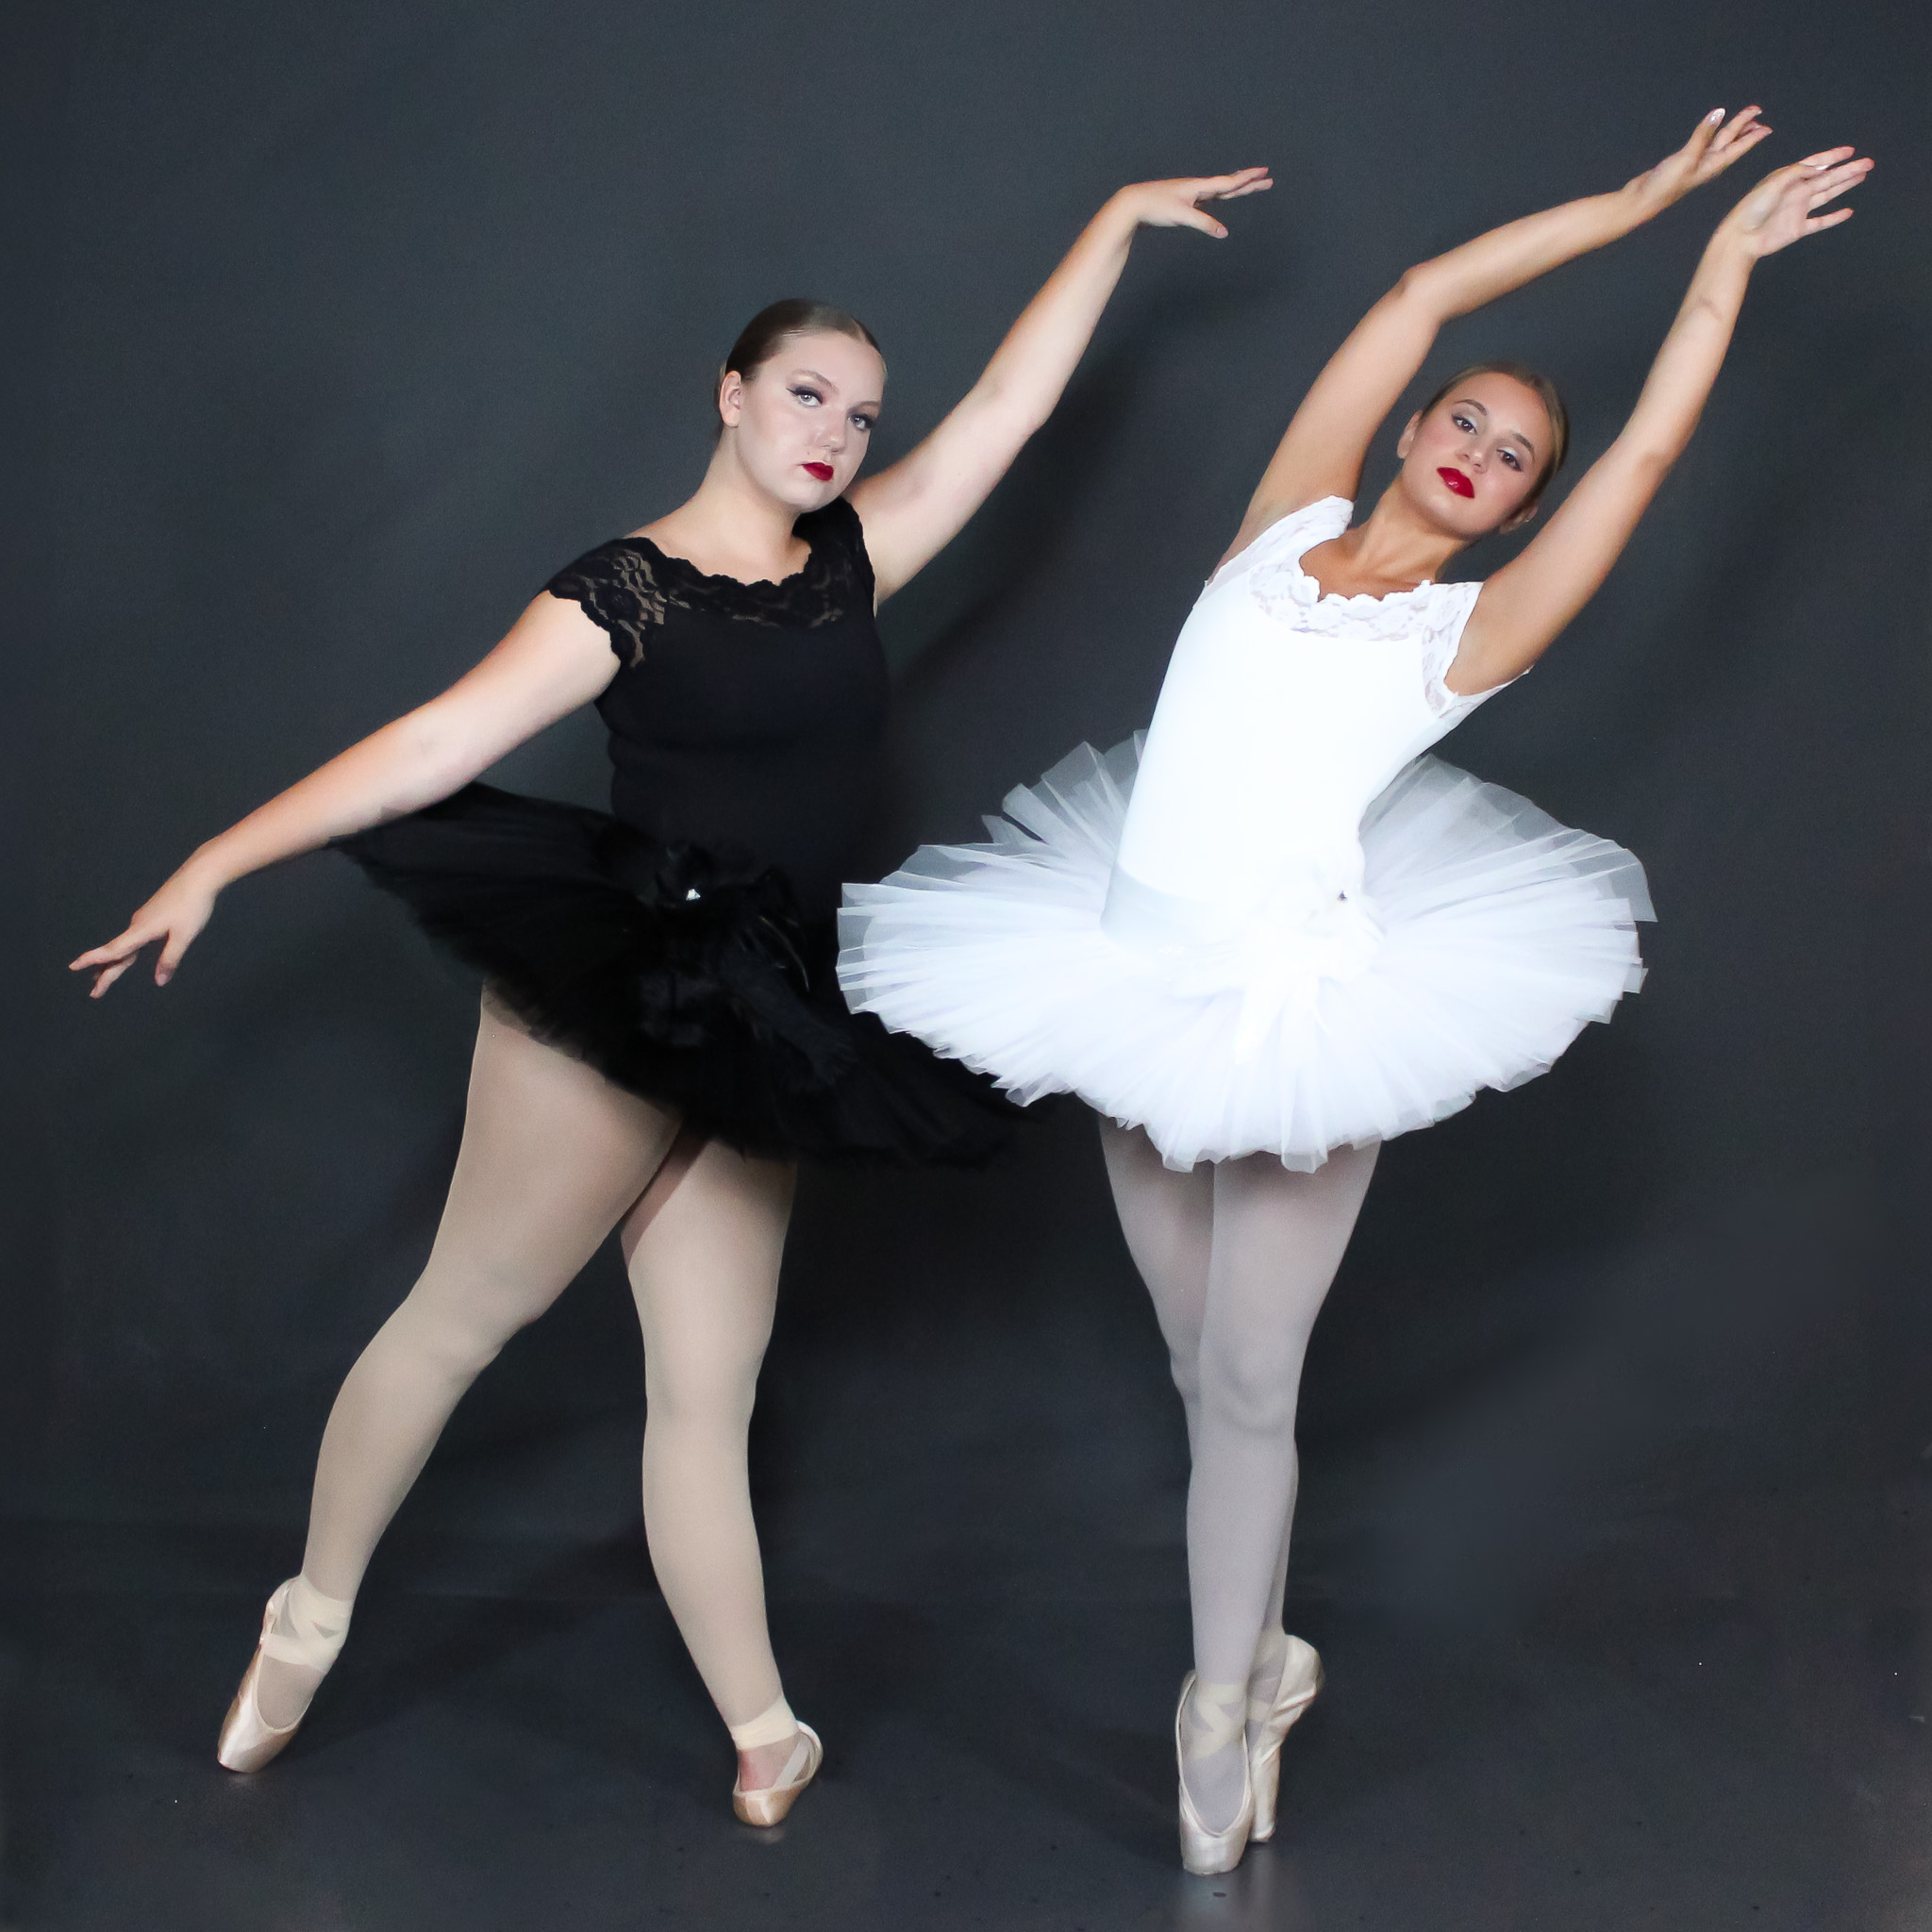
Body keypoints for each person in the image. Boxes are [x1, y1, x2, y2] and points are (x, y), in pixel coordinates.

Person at [70, 165, 1273, 1822]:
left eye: (861, 413)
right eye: (808, 395)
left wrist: (1115, 223)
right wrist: (217, 859)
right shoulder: (625, 590)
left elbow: (1005, 414)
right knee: (462, 1317)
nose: (837, 433)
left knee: (708, 1392)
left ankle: (763, 1727)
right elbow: (437, 740)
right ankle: (309, 1619)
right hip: (630, 983)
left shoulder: (849, 566)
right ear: (732, 394)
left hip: (771, 1016)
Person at [838, 111, 1869, 1871]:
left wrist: (1713, 265)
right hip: (1125, 978)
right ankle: (1270, 1650)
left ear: (1519, 510)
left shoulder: (1468, 635)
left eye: (1515, 458)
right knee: (1196, 1360)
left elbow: (1643, 462)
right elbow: (1416, 293)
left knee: (1251, 1381)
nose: (1480, 451)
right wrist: (1628, 200)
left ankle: (1217, 1705)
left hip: (1295, 1009)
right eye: (1464, 420)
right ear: (1407, 431)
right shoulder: (1283, 521)